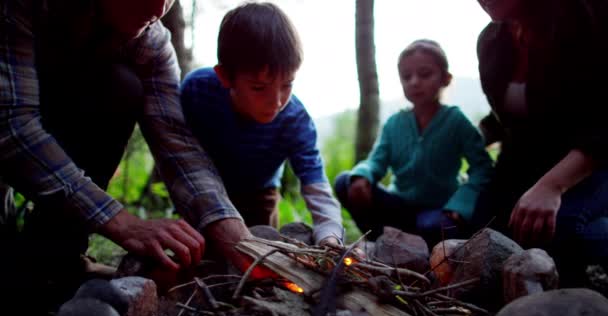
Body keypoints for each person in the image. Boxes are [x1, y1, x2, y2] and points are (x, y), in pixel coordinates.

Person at [0, 0, 256, 316]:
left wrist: (240, 240)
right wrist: (122, 222)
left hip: (53, 118)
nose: (161, 6)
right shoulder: (25, 6)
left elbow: (177, 145)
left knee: (120, 86)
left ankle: (54, 259)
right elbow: (12, 126)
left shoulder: (152, 42)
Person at [181, 2, 344, 246]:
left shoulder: (295, 120)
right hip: (203, 186)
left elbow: (314, 181)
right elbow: (178, 151)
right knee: (203, 252)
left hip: (260, 194)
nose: (277, 101)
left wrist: (330, 233)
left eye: (287, 84)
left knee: (260, 250)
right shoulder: (198, 91)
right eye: (259, 87)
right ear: (225, 76)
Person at [472, 0, 608, 284]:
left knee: (558, 232)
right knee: (481, 230)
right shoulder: (491, 42)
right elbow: (509, 117)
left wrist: (552, 186)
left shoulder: (592, 20)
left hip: (590, 164)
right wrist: (470, 139)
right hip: (523, 164)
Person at [334, 40, 493, 247]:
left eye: (425, 74)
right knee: (346, 182)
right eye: (406, 76)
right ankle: (381, 241)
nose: (414, 82)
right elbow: (376, 161)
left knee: (433, 226)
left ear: (445, 78)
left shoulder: (456, 122)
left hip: (440, 210)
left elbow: (482, 168)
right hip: (399, 207)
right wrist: (363, 176)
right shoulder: (394, 124)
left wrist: (461, 205)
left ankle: (411, 245)